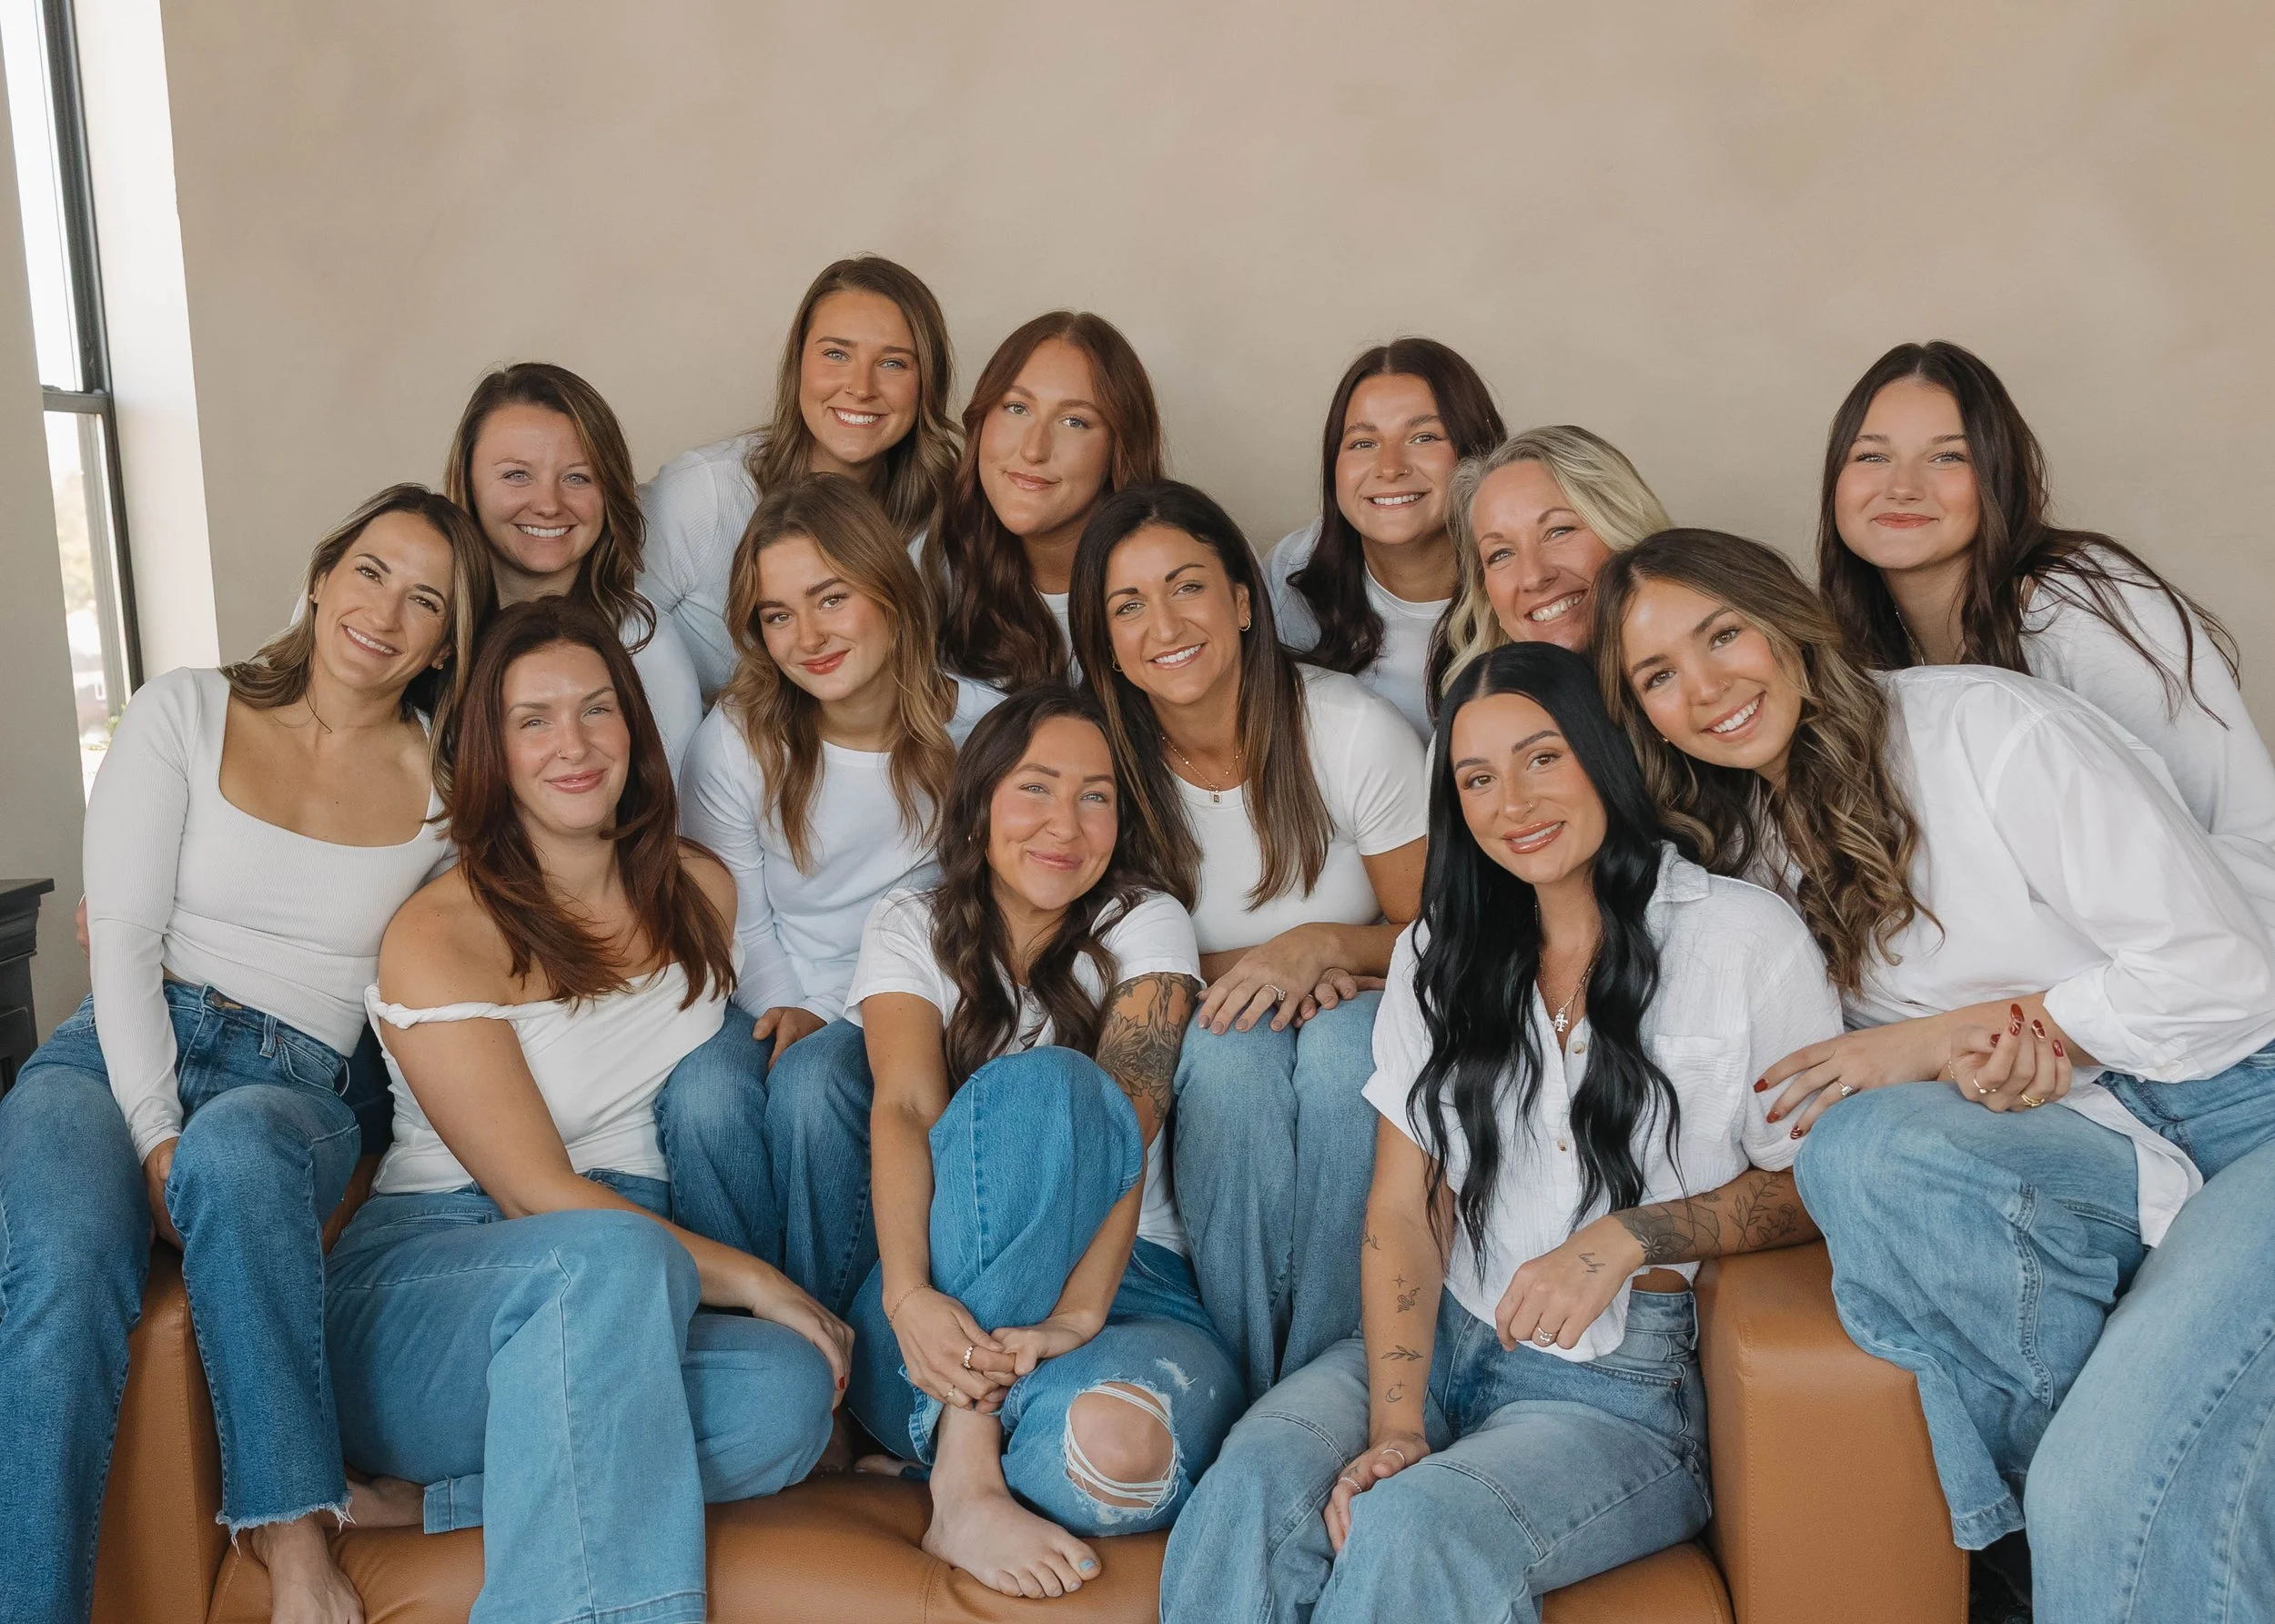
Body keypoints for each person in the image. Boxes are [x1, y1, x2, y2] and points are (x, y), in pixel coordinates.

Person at [1599, 530, 2275, 1620]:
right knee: (1861, 1149)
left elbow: (2228, 975)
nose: (1706, 686)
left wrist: (1939, 1039)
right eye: (1658, 677)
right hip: (2100, 1145)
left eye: (1721, 633)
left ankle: (2073, 1523)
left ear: (1783, 619)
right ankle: (2093, 1495)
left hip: (2250, 1112)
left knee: (2103, 1490)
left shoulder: (1986, 730)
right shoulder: (1749, 847)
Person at [1160, 641, 1839, 1623]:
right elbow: (1401, 1206)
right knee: (1249, 1492)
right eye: (1477, 779)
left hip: (1613, 1394)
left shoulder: (1742, 940)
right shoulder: (1442, 949)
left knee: (1413, 1529)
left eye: (1541, 758)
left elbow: (1810, 1185)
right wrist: (1394, 1428)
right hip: (1439, 1341)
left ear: (1604, 755)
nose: (1512, 802)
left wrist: (1630, 1236)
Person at [0, 487, 489, 1624]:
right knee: (62, 1267)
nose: (386, 612)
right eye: (371, 572)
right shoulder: (183, 710)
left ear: (445, 641)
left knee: (235, 1150)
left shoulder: (448, 798)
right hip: (113, 1047)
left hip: (291, 1082)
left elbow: (441, 981)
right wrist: (151, 1131)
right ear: (323, 576)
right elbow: (119, 940)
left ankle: (291, 1533)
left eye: (427, 600)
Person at [325, 597, 849, 1624]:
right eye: (533, 719)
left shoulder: (701, 891)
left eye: (596, 710)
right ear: (492, 751)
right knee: (606, 1258)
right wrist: (761, 1281)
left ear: (633, 730)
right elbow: (538, 1196)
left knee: (785, 1399)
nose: (573, 744)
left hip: (627, 1286)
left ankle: (435, 1505)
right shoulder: (442, 932)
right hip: (440, 1281)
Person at [839, 685, 1243, 1599]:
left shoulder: (1143, 921)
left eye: (1095, 795)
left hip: (1130, 1279)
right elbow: (902, 1108)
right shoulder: (911, 924)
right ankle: (970, 1469)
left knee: (1120, 1458)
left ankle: (947, 1452)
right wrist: (905, 1294)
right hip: (940, 1294)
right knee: (1038, 1088)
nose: (1066, 823)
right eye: (1036, 788)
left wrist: (1081, 1314)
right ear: (979, 800)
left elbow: (1124, 1135)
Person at [1069, 481, 1429, 1397]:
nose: (1163, 623)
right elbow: (1090, 956)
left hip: (1361, 1003)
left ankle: (1333, 1381)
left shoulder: (1347, 731)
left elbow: (1448, 935)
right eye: (1127, 605)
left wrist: (1328, 948)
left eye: (1186, 586)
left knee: (1355, 1048)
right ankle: (1242, 1377)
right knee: (1231, 1057)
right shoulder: (1097, 758)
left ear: (1240, 601)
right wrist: (1265, 970)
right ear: (1105, 640)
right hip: (1213, 1027)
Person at [661, 474, 997, 1294]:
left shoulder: (981, 729)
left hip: (915, 1001)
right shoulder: (739, 742)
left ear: (888, 589)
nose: (808, 635)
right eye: (778, 615)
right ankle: (747, 1333)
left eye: (830, 597)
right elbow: (733, 912)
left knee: (817, 1088)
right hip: (774, 987)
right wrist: (792, 1004)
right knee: (701, 1094)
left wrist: (837, 1018)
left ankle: (832, 1340)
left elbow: (986, 912)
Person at [1816, 338, 2275, 919]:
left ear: (1998, 477)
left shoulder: (2076, 604)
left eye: (1948, 457)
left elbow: (2210, 840)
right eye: (1872, 456)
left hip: (2224, 943)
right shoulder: (1865, 647)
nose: (1902, 485)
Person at [642, 255, 959, 695]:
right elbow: (608, 645)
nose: (861, 388)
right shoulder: (705, 492)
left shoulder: (944, 516)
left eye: (893, 363)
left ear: (928, 383)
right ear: (797, 365)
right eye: (836, 354)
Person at [442, 360, 704, 775]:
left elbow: (670, 817)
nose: (548, 504)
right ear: (468, 483)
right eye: (516, 475)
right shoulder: (418, 616)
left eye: (578, 478)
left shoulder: (644, 645)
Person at [1265, 338, 1503, 737]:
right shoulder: (1291, 572)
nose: (1390, 468)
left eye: (1424, 437)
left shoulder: (1525, 582)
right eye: (1363, 443)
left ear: (1476, 451)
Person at [924, 310, 1166, 691]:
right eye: (1016, 408)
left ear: (1120, 448)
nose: (1035, 450)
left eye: (1074, 421)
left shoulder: (1193, 564)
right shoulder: (932, 568)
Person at [1437, 425, 1672, 677]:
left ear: (1624, 527)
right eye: (1501, 554)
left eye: (1559, 531)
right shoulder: (1481, 708)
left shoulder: (1709, 683)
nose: (1533, 577)